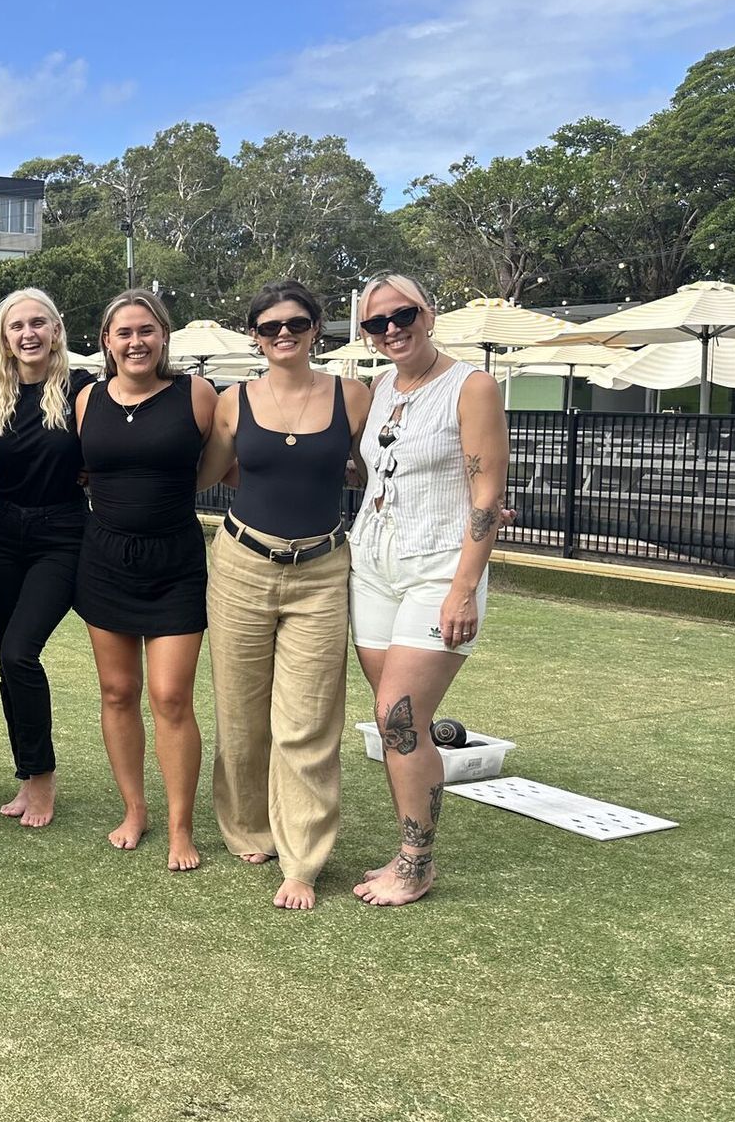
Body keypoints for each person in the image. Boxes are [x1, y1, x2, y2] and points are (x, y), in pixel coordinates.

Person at [196, 280, 371, 910]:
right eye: (269, 328)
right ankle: (247, 825)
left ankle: (302, 856)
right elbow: (207, 473)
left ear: (316, 328)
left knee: (308, 719)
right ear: (255, 336)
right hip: (242, 562)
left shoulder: (354, 397)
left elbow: (384, 470)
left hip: (322, 570)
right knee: (240, 713)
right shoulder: (231, 401)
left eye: (295, 323)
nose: (283, 335)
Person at [349, 271, 507, 907]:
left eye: (403, 315)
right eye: (376, 323)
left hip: (439, 568)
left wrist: (464, 587)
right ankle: (407, 839)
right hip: (373, 564)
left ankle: (416, 862)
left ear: (429, 313)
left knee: (398, 715)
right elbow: (374, 466)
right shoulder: (379, 388)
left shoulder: (471, 385)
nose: (392, 329)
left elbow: (488, 491)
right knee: (398, 723)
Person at [74, 289, 218, 868]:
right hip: (104, 559)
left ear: (163, 337)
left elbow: (224, 461)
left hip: (175, 561)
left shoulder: (196, 395)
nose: (136, 342)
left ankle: (181, 827)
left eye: (146, 331)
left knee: (171, 696)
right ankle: (134, 809)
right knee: (117, 692)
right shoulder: (87, 399)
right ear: (107, 342)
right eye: (124, 333)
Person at [0, 288, 93, 830]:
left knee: (20, 654)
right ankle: (26, 772)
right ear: (4, 337)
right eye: (17, 326)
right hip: (2, 539)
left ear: (56, 330)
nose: (29, 334)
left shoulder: (83, 391)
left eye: (39, 323)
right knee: (6, 664)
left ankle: (43, 777)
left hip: (63, 534)